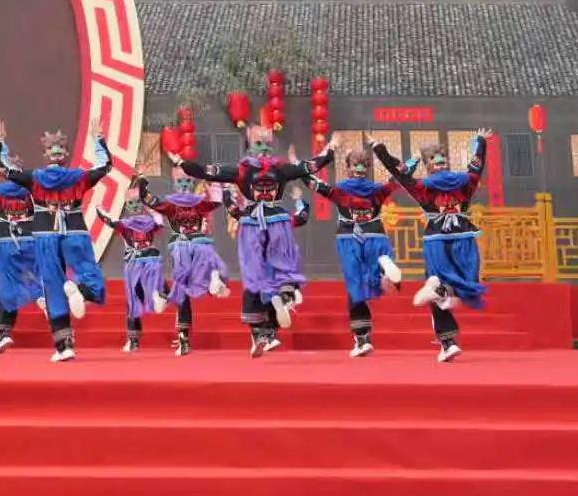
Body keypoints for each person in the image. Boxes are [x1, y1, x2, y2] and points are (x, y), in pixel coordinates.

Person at [176, 129, 330, 357]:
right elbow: (309, 167)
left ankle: (261, 331)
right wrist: (330, 152)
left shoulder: (242, 170)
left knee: (254, 275)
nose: (265, 147)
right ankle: (281, 304)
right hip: (276, 220)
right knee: (282, 266)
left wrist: (183, 163)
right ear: (250, 145)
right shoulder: (279, 169)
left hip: (251, 224)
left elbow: (207, 172)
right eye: (260, 143)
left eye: (267, 143)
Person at [0, 122, 113, 363]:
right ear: (65, 154)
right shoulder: (79, 177)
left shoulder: (35, 178)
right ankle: (80, 289)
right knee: (91, 276)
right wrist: (98, 138)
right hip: (75, 232)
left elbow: (3, 169)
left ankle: (63, 345)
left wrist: (0, 143)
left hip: (45, 235)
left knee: (52, 286)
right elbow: (105, 165)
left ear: (47, 154)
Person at [376, 131, 492, 362]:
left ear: (429, 166)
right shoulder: (466, 181)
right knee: (467, 282)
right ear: (446, 161)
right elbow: (477, 165)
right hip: (463, 238)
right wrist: (480, 142)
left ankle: (447, 340)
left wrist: (380, 149)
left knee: (438, 282)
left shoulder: (422, 187)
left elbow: (397, 174)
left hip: (436, 240)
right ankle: (443, 296)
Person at [309, 139, 406, 357]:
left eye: (362, 165)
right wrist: (379, 147)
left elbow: (313, 182)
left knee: (355, 285)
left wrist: (325, 153)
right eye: (357, 164)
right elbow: (400, 172)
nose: (360, 168)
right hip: (375, 234)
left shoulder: (340, 191)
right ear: (352, 167)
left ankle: (362, 338)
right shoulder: (377, 190)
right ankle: (384, 269)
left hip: (348, 237)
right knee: (370, 278)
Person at [136, 174, 229, 357]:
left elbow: (217, 201)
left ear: (193, 184)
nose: (185, 185)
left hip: (187, 246)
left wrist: (216, 180)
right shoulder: (174, 204)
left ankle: (208, 281)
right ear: (175, 185)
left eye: (188, 182)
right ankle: (183, 336)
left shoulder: (196, 203)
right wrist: (141, 182)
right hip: (186, 247)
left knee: (187, 281)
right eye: (181, 182)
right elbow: (147, 199)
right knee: (185, 286)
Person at [99, 203, 168, 353]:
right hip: (150, 259)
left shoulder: (124, 224)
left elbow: (107, 220)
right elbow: (160, 220)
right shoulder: (151, 223)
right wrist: (151, 208)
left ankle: (133, 340)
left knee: (134, 301)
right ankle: (159, 294)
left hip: (134, 263)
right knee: (157, 287)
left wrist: (99, 208)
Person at [0, 167, 37, 356]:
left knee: (8, 288)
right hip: (27, 244)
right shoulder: (30, 193)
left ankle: (1, 332)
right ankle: (2, 333)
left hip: (5, 244)